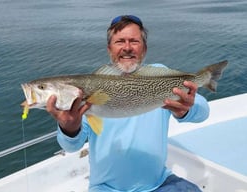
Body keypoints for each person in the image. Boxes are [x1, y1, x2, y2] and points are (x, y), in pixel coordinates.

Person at [47, 15, 209, 192]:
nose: (127, 48)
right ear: (109, 49)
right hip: (106, 188)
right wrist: (69, 128)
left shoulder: (161, 76)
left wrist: (184, 111)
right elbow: (71, 146)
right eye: (120, 41)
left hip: (160, 182)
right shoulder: (87, 91)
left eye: (134, 41)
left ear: (144, 49)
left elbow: (203, 112)